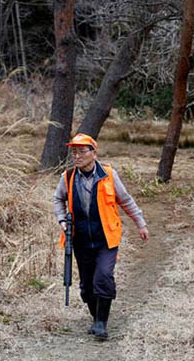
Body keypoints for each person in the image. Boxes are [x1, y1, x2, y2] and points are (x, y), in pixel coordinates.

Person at [53, 133, 149, 340]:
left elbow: (127, 201)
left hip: (107, 238)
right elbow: (57, 200)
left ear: (93, 153)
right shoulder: (67, 177)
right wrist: (62, 220)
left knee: (103, 277)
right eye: (74, 152)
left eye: (81, 151)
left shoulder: (109, 175)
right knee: (87, 287)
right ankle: (96, 316)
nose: (76, 156)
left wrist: (140, 223)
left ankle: (101, 323)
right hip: (80, 240)